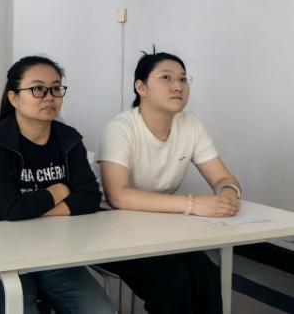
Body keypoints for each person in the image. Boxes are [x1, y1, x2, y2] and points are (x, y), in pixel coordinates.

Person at [96, 51, 241, 314]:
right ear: (141, 87)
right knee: (172, 281)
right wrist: (192, 204)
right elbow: (118, 196)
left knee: (207, 276)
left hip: (161, 224)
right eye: (166, 78)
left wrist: (228, 193)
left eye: (183, 79)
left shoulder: (190, 125)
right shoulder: (120, 128)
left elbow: (222, 177)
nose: (178, 86)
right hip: (111, 227)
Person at [0, 56, 114, 314]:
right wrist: (58, 191)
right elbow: (9, 208)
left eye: (56, 88)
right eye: (38, 89)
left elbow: (90, 196)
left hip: (56, 251)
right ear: (14, 98)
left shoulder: (68, 138)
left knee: (101, 310)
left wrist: (31, 210)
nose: (49, 97)